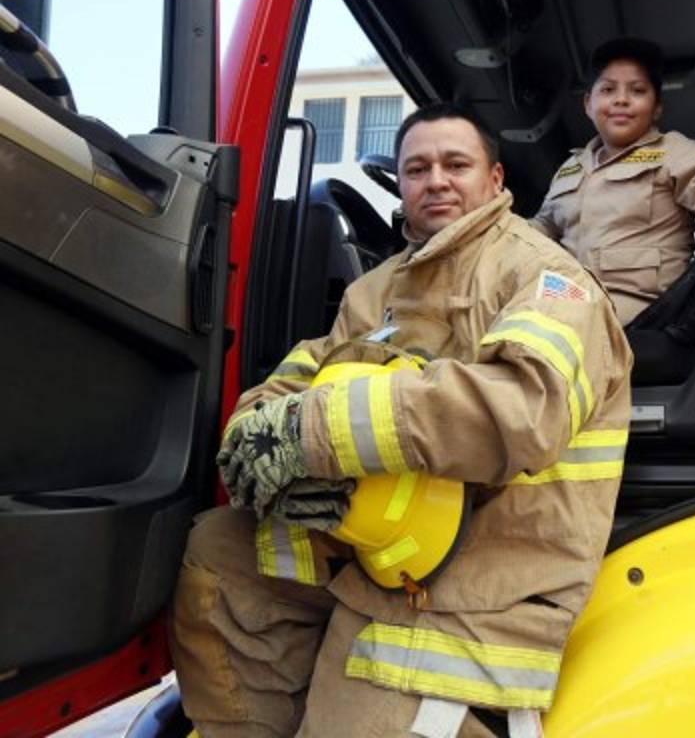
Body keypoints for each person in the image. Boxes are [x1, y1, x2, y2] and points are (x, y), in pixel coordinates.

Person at [169, 103, 633, 738]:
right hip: (379, 548)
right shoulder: (376, 291)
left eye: (455, 164)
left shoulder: (548, 278)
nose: (436, 179)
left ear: (495, 180)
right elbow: (293, 383)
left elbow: (524, 410)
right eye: (417, 168)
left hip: (488, 573)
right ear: (403, 186)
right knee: (221, 548)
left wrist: (317, 435)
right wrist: (262, 439)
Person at [529, 37, 695, 324]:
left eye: (637, 90)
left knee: (534, 334)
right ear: (589, 103)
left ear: (657, 107)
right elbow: (540, 230)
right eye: (608, 89)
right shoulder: (570, 167)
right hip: (568, 298)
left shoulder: (672, 151)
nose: (621, 99)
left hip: (639, 311)